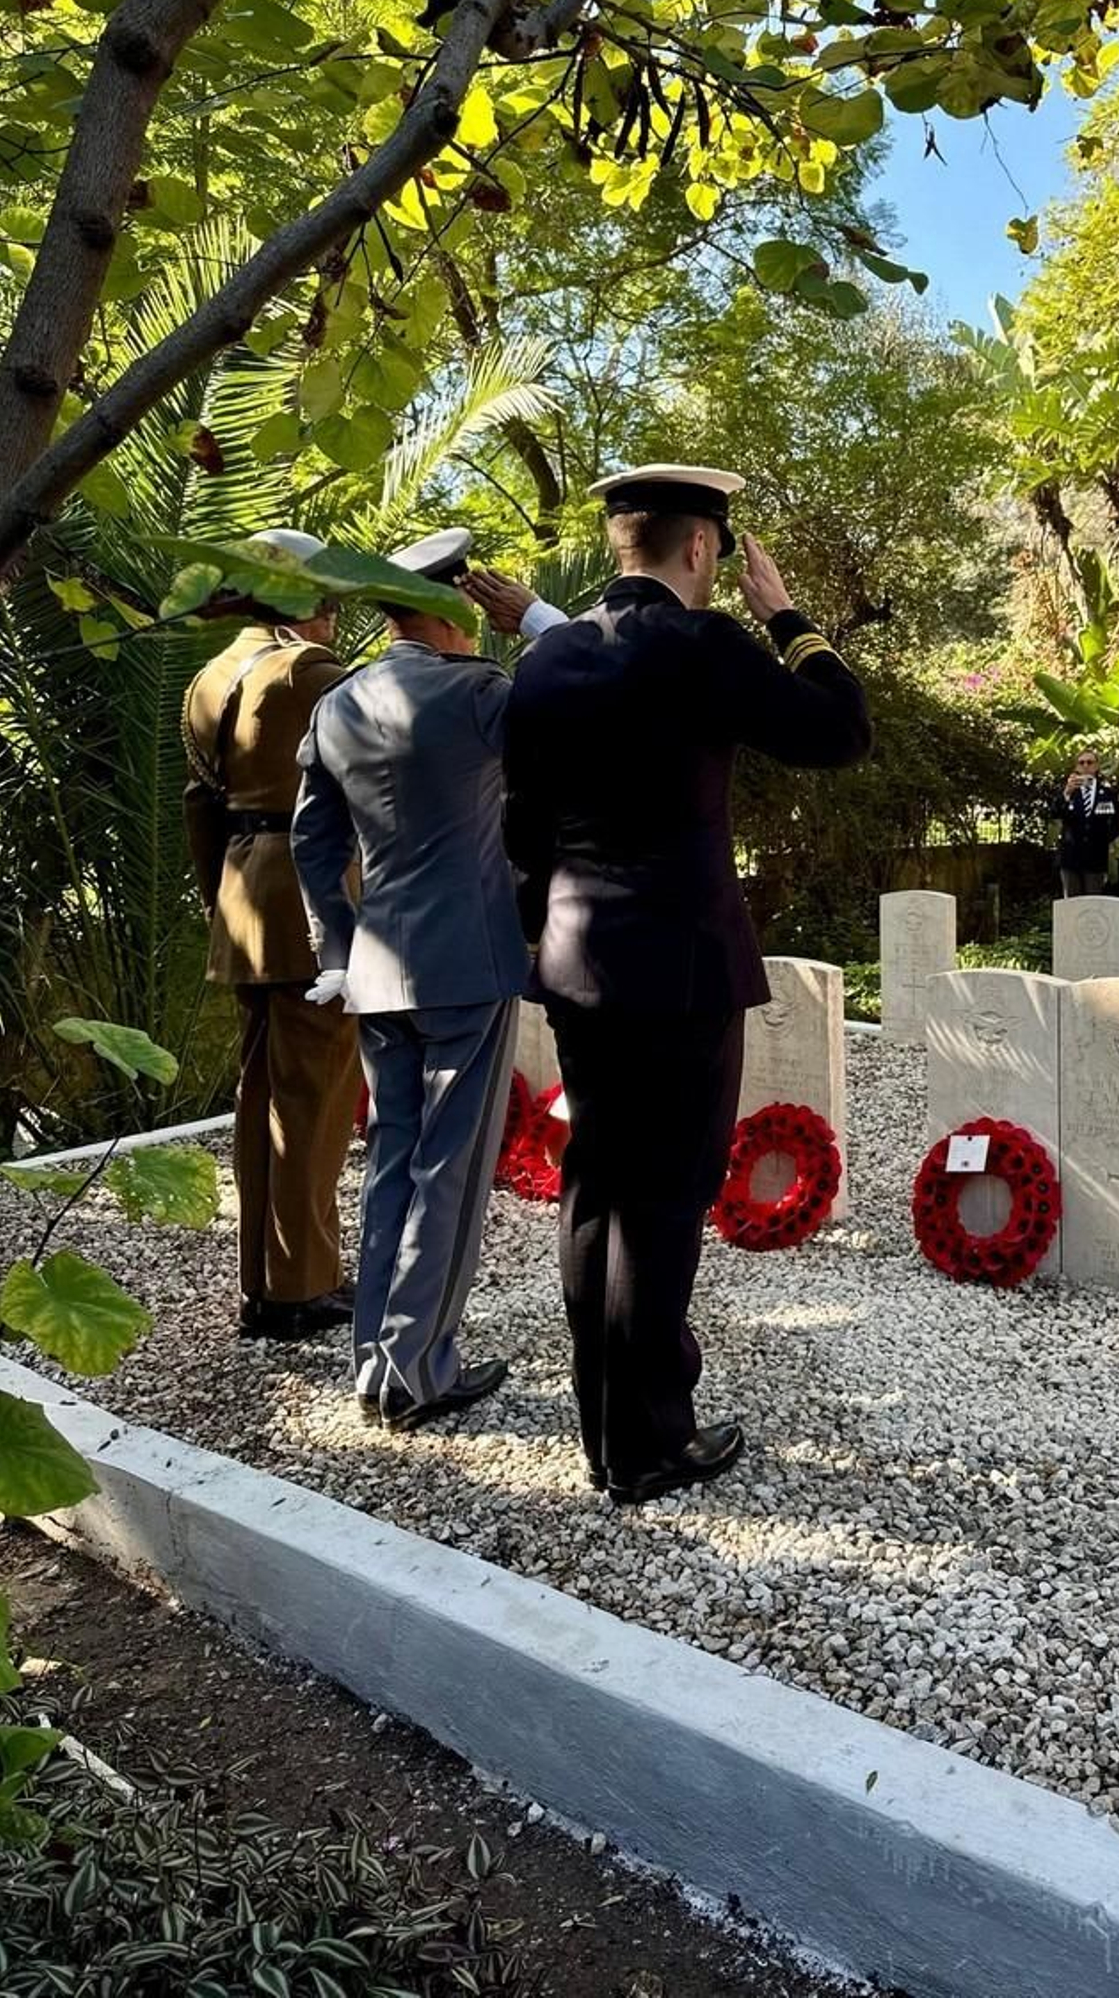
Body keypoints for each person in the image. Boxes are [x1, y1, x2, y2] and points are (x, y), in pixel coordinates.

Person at [502, 465, 871, 1507]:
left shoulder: (548, 659)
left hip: (577, 962)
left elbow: (522, 827)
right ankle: (649, 1443)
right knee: (664, 1200)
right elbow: (840, 732)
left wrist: (546, 935)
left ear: (619, 542)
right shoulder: (703, 644)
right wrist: (788, 619)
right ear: (701, 546)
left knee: (595, 1189)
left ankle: (603, 1428)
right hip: (683, 967)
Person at [290, 529, 565, 1432]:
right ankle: (415, 1371)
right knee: (449, 1170)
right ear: (452, 606)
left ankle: (375, 1359)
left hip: (374, 970)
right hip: (468, 968)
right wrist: (534, 622)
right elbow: (576, 705)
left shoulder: (337, 703)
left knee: (391, 1164)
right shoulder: (479, 693)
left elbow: (312, 844)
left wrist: (335, 951)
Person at [180, 529, 362, 1341]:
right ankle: (300, 1286)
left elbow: (200, 806)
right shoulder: (309, 673)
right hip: (310, 901)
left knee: (261, 1094)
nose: (333, 614)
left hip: (243, 896)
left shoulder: (210, 677)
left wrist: (219, 900)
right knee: (313, 1097)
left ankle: (263, 1278)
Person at [1049, 746, 1119, 898]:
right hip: (1070, 859)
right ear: (1076, 767)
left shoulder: (1107, 794)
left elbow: (1118, 825)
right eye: (1081, 763)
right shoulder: (1068, 792)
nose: (1085, 766)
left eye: (1089, 762)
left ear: (1096, 766)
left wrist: (1101, 841)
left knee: (1093, 903)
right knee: (1072, 903)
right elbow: (1055, 814)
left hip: (1096, 860)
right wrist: (1066, 794)